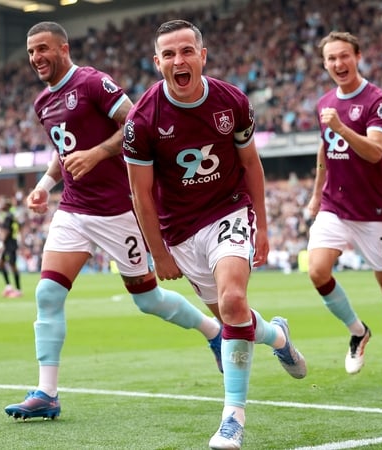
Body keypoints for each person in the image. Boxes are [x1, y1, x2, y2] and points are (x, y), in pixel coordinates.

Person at [4, 21, 224, 422]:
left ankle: (213, 332)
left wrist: (99, 154)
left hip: (119, 210)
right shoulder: (43, 103)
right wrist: (44, 184)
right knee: (47, 296)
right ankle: (46, 392)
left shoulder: (92, 84)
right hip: (74, 210)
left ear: (63, 49)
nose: (36, 57)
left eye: (43, 49)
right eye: (31, 50)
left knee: (148, 300)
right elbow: (63, 148)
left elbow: (134, 124)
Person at [123, 19, 306, 450]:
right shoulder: (142, 120)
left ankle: (232, 418)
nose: (178, 60)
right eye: (168, 54)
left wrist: (261, 223)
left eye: (187, 51)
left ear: (203, 55)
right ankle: (278, 336)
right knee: (232, 321)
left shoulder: (232, 102)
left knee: (234, 302)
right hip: (180, 230)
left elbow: (251, 163)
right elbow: (140, 193)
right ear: (157, 63)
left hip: (229, 210)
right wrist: (159, 253)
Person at [305, 31, 382, 387]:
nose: (338, 64)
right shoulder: (324, 101)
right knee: (318, 271)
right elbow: (325, 149)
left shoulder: (377, 101)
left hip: (374, 210)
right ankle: (358, 331)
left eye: (344, 56)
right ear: (324, 64)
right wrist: (316, 194)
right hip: (335, 204)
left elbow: (375, 152)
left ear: (358, 56)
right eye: (331, 59)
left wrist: (340, 126)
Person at [0, 200, 22, 298]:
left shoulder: (8, 216)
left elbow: (7, 231)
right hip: (10, 243)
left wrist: (1, 242)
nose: (1, 206)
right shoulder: (11, 216)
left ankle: (18, 290)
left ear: (7, 206)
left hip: (10, 244)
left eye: (2, 204)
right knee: (1, 263)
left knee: (12, 266)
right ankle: (8, 287)